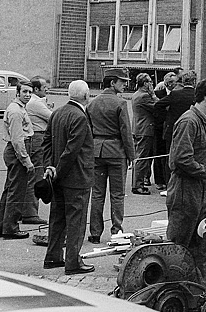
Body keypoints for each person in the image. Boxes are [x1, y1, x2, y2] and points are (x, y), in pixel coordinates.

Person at [166, 78, 206, 298]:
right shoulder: (188, 122)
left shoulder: (203, 121)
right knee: (177, 248)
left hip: (199, 192)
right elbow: (181, 160)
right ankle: (172, 299)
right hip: (184, 192)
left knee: (204, 245)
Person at [42, 80, 95, 275]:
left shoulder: (57, 113)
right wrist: (58, 170)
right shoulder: (79, 117)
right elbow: (72, 150)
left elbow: (46, 142)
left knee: (57, 218)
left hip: (57, 178)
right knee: (76, 221)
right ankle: (73, 262)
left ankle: (53, 256)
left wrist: (50, 167)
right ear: (86, 95)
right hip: (76, 177)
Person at [87, 68, 135, 244]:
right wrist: (132, 156)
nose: (125, 84)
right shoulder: (120, 103)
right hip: (116, 152)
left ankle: (94, 233)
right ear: (112, 82)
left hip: (96, 151)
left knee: (97, 193)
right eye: (122, 81)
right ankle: (116, 230)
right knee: (117, 194)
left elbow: (88, 129)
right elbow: (126, 132)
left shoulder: (92, 103)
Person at [0, 79, 34, 239]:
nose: (28, 95)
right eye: (24, 92)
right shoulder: (16, 111)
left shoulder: (18, 108)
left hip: (16, 151)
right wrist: (27, 161)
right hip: (17, 152)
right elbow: (18, 140)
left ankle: (3, 226)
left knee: (10, 189)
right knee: (16, 191)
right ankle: (10, 228)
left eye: (30, 92)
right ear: (17, 93)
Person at [22, 76, 53, 225]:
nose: (47, 89)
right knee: (36, 176)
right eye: (44, 87)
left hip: (34, 138)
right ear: (36, 89)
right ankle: (30, 213)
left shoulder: (35, 102)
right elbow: (53, 117)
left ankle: (25, 210)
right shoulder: (36, 103)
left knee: (31, 176)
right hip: (38, 138)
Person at [155, 70, 197, 156]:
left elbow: (158, 105)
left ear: (183, 81)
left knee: (170, 157)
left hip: (173, 129)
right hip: (191, 130)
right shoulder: (197, 96)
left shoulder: (175, 94)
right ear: (194, 81)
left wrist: (167, 115)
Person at [131, 73, 157, 195]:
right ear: (145, 84)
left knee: (139, 157)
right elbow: (157, 106)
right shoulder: (145, 96)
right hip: (145, 129)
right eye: (150, 82)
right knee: (142, 158)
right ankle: (138, 185)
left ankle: (138, 182)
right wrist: (153, 94)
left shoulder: (136, 95)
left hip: (138, 128)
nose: (152, 84)